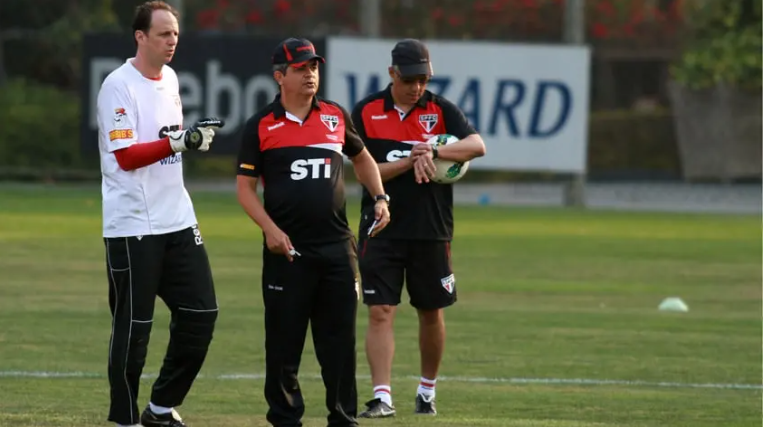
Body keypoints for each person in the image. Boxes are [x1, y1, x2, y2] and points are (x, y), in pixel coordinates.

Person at [235, 38, 391, 427]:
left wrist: (380, 198)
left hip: (338, 250)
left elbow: (363, 158)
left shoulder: (335, 116)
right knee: (284, 347)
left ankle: (343, 418)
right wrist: (270, 230)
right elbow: (244, 189)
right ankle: (286, 420)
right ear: (279, 76)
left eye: (314, 67)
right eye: (301, 68)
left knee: (339, 346)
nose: (310, 74)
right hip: (287, 252)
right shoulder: (261, 125)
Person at [96, 2, 224, 426]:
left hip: (178, 220)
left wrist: (190, 140)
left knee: (202, 314)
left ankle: (160, 408)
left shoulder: (169, 78)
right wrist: (178, 143)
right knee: (135, 329)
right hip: (133, 224)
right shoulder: (117, 85)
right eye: (164, 33)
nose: (173, 40)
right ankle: (124, 418)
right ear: (141, 36)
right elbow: (128, 156)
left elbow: (169, 140)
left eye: (175, 33)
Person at [351, 39, 487, 418]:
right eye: (409, 79)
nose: (417, 87)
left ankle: (427, 391)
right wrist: (410, 161)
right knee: (381, 310)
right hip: (381, 225)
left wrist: (434, 151)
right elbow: (362, 171)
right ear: (392, 73)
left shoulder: (441, 110)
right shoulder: (365, 112)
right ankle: (383, 398)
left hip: (432, 228)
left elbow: (478, 145)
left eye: (423, 79)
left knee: (431, 311)